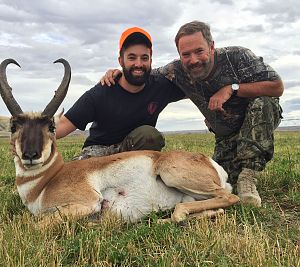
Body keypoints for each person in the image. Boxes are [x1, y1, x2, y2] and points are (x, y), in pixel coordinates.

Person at [101, 21, 284, 207]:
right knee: (215, 182)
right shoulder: (176, 71)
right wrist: (118, 72)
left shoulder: (238, 56)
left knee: (264, 102)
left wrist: (231, 89)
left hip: (253, 121)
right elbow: (142, 74)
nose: (193, 60)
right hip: (226, 136)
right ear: (179, 55)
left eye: (199, 51)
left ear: (211, 47)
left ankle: (249, 177)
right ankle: (237, 173)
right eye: (186, 54)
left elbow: (277, 87)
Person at [56, 27, 185, 159]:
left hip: (132, 154)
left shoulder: (160, 86)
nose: (138, 64)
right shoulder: (102, 91)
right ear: (121, 61)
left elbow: (194, 88)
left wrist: (208, 95)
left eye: (144, 58)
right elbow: (64, 124)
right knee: (75, 176)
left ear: (151, 61)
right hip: (100, 154)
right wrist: (38, 133)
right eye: (132, 57)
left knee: (149, 136)